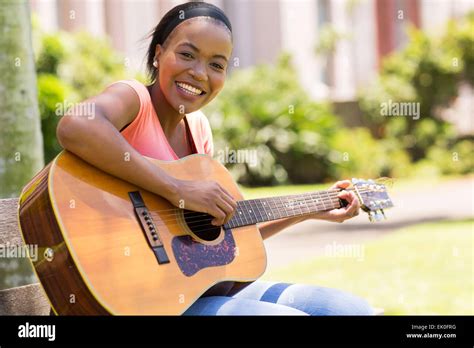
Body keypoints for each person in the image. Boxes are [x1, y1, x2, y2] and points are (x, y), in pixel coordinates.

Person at [56, 1, 373, 316]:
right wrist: (176, 189)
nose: (198, 73)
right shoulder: (134, 99)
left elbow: (224, 238)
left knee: (353, 310)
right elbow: (76, 125)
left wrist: (310, 210)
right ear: (158, 53)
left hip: (192, 293)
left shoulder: (197, 130)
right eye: (187, 54)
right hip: (140, 299)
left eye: (216, 65)